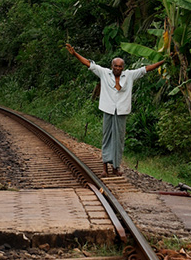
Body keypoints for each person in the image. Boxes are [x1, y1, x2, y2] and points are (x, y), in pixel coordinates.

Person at [65, 44, 162, 175]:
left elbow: (146, 69)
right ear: (112, 66)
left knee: (119, 140)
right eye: (115, 66)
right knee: (107, 138)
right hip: (108, 110)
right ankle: (104, 167)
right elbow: (89, 64)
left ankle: (115, 167)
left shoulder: (129, 75)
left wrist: (163, 61)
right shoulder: (104, 73)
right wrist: (75, 54)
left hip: (122, 111)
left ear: (123, 67)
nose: (117, 68)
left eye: (120, 66)